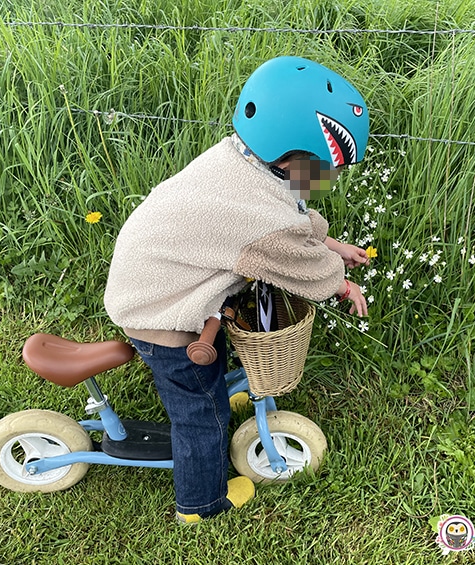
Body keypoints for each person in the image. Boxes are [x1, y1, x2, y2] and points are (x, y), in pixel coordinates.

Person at [104, 56, 370, 523]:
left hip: (160, 280)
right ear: (291, 157)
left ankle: (219, 396)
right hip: (159, 312)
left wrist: (332, 244)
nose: (327, 180)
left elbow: (291, 221)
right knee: (199, 417)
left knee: (213, 364)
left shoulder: (241, 160)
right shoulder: (256, 218)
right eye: (323, 169)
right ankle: (201, 503)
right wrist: (340, 283)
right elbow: (296, 256)